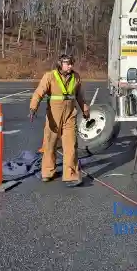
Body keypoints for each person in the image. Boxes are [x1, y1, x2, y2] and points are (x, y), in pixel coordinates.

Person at [29, 54, 90, 187]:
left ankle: (70, 175)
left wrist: (85, 110)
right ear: (60, 64)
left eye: (71, 63)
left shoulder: (76, 77)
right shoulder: (50, 76)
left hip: (70, 115)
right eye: (67, 63)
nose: (70, 66)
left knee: (71, 144)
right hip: (53, 115)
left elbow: (80, 96)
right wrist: (33, 108)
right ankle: (47, 172)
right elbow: (39, 92)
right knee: (50, 143)